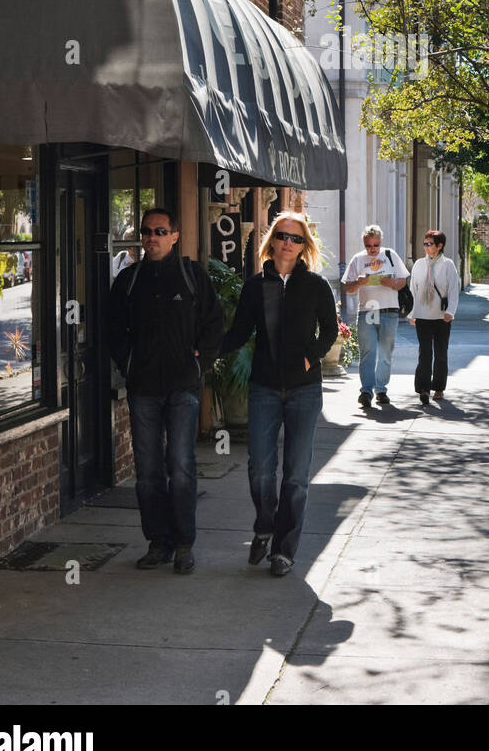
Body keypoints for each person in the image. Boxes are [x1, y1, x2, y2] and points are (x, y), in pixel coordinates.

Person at [108, 208, 224, 575]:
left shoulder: (192, 277)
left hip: (182, 388)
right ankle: (158, 542)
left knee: (181, 464)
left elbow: (214, 323)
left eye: (159, 231)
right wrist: (128, 365)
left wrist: (198, 363)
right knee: (148, 472)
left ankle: (184, 545)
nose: (151, 238)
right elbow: (113, 330)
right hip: (142, 389)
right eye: (146, 232)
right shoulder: (128, 281)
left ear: (175, 236)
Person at [223, 210, 338, 577]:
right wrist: (202, 347)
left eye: (296, 238)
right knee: (260, 468)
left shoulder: (315, 285)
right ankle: (263, 527)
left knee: (296, 476)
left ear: (304, 246)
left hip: (305, 391)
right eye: (283, 236)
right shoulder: (256, 286)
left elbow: (329, 331)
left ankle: (284, 550)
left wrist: (310, 358)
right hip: (264, 388)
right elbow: (239, 332)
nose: (288, 243)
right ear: (272, 240)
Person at [341, 223, 409, 409]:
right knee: (368, 352)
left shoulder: (390, 255)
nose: (372, 249)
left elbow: (403, 280)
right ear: (364, 243)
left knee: (385, 354)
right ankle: (366, 391)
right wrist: (358, 282)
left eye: (375, 245)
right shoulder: (358, 259)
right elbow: (348, 287)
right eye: (368, 246)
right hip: (368, 311)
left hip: (389, 311)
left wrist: (393, 283)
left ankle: (381, 390)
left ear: (380, 242)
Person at [409, 230, 460, 405]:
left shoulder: (448, 265)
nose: (426, 247)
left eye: (430, 244)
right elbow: (413, 290)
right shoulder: (418, 265)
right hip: (422, 315)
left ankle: (438, 388)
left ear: (440, 246)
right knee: (424, 352)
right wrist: (411, 313)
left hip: (441, 317)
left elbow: (453, 290)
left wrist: (450, 312)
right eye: (424, 243)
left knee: (440, 353)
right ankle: (423, 388)